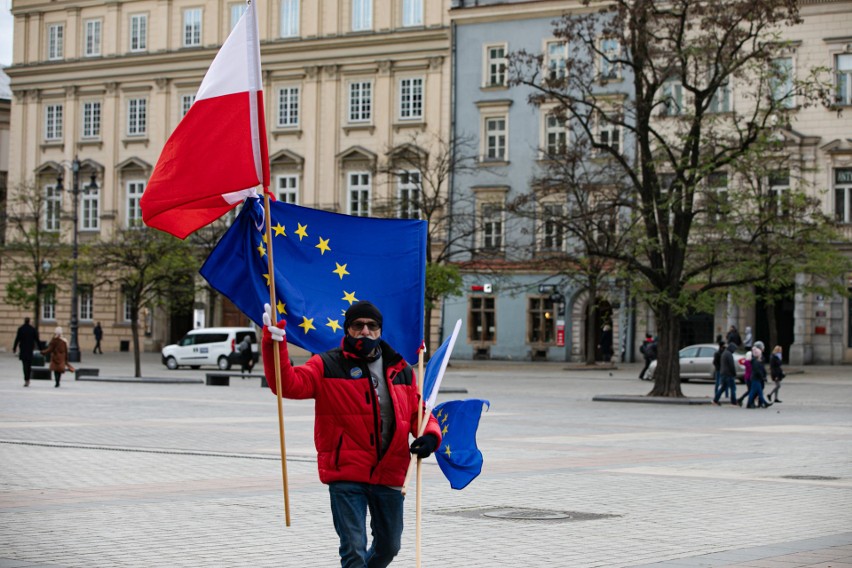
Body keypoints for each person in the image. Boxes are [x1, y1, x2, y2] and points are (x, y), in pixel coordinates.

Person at [261, 300, 442, 567]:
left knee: (389, 547)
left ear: (380, 330)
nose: (365, 331)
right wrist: (273, 345)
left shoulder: (400, 368)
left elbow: (418, 412)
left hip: (391, 470)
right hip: (346, 471)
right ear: (347, 329)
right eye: (358, 326)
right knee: (354, 549)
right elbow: (286, 384)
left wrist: (430, 435)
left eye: (372, 326)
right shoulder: (326, 364)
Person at [13, 318, 40, 387]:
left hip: (23, 350)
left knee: (24, 365)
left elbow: (17, 339)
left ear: (24, 321)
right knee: (29, 365)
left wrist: (14, 348)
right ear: (29, 322)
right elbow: (37, 339)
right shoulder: (32, 329)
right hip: (30, 350)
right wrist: (41, 348)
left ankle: (26, 379)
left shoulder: (21, 329)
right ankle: (28, 379)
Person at [712, 342, 738, 406]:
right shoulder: (729, 354)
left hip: (723, 373)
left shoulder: (724, 353)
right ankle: (733, 402)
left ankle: (715, 400)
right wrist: (734, 373)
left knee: (723, 388)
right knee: (733, 388)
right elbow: (731, 365)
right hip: (729, 374)